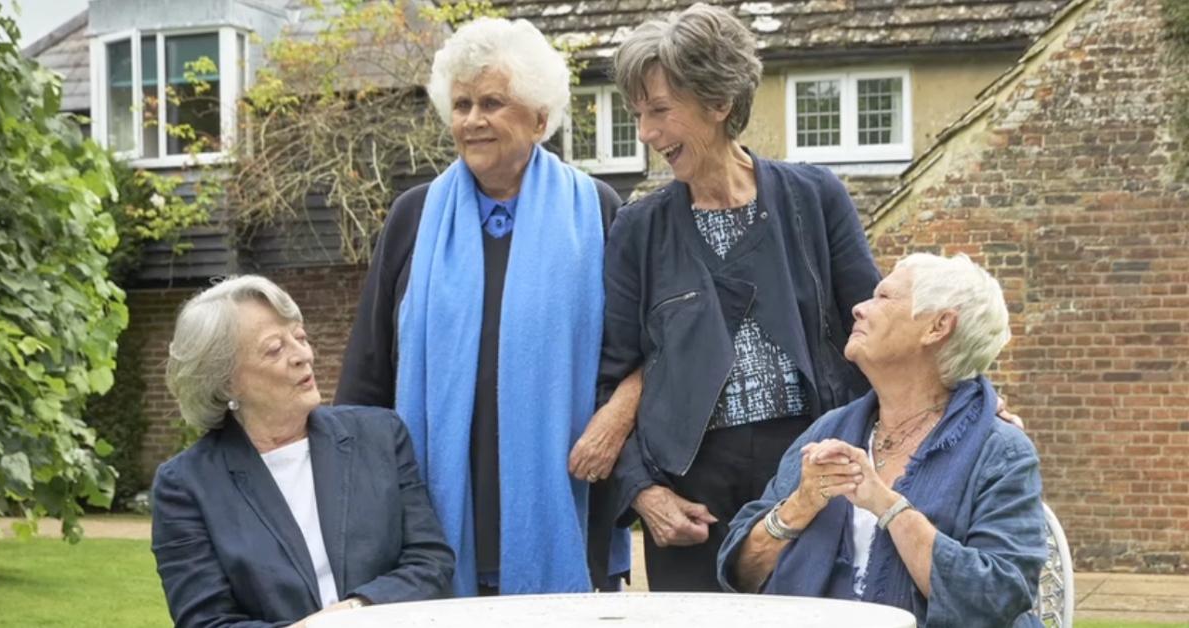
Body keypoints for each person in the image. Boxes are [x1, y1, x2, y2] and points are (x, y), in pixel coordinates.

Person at [335, 17, 635, 596]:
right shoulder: (414, 216)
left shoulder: (597, 210)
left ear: (541, 118)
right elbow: (370, 369)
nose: (473, 120)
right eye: (462, 103)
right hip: (436, 502)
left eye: (493, 103)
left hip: (566, 494)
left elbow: (629, 358)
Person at [598, 3, 881, 591]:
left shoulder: (814, 197)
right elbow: (610, 378)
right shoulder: (639, 229)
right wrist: (645, 493)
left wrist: (965, 396)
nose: (647, 133)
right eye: (638, 114)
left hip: (806, 468)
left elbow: (876, 329)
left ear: (719, 103)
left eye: (660, 112)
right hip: (689, 493)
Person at [718, 254, 1046, 627]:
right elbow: (742, 573)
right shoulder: (829, 432)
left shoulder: (1000, 451)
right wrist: (800, 505)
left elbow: (995, 597)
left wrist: (888, 506)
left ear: (938, 326)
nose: (858, 308)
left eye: (884, 297)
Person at [152, 276, 454, 628]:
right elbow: (205, 620)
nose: (303, 356)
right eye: (275, 348)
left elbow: (430, 561)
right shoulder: (186, 485)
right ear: (226, 381)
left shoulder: (381, 436)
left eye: (300, 337)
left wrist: (357, 610)